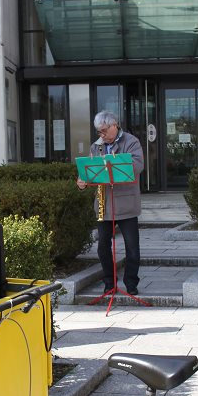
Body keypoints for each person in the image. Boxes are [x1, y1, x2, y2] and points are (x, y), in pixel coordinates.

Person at [76, 110, 144, 295]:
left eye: (104, 130)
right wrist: (82, 181)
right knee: (102, 247)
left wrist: (113, 165)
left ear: (115, 125)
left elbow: (138, 166)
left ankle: (131, 283)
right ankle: (109, 283)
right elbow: (89, 172)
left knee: (132, 248)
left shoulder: (131, 142)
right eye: (98, 131)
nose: (101, 135)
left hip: (126, 204)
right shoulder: (95, 146)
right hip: (103, 205)